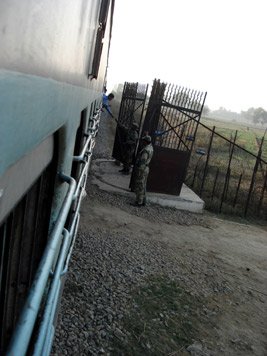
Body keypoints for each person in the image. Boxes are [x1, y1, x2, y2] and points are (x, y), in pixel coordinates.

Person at [133, 135, 154, 207]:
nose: (142, 142)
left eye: (143, 141)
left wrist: (139, 169)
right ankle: (143, 201)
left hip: (142, 169)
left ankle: (139, 202)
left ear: (146, 141)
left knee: (140, 185)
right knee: (143, 185)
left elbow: (143, 161)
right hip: (146, 168)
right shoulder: (150, 148)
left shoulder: (146, 150)